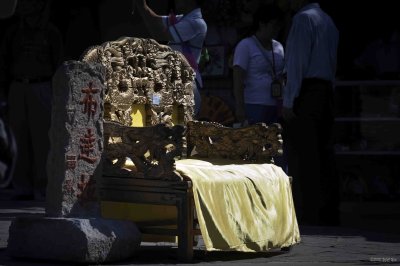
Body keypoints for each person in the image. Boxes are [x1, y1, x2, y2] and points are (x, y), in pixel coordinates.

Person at [281, 0, 340, 226]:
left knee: (305, 155)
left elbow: (297, 62)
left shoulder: (304, 19)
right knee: (324, 152)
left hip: (308, 91)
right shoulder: (328, 21)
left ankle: (308, 211)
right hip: (325, 91)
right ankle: (327, 210)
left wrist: (289, 100)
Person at [0, 0, 64, 200]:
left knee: (42, 138)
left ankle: (42, 185)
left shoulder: (51, 32)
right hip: (18, 86)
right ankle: (21, 184)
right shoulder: (14, 32)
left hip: (41, 85)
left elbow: (59, 62)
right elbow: (4, 61)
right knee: (18, 135)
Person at [133, 0, 207, 117]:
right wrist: (142, 6)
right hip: (169, 83)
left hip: (185, 86)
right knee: (157, 113)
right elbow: (156, 20)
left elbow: (159, 33)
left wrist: (143, 7)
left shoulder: (195, 23)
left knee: (179, 128)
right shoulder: (182, 19)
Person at [232, 4, 285, 126]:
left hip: (276, 104)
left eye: (279, 26)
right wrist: (240, 107)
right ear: (262, 24)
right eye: (274, 25)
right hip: (253, 104)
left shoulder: (279, 47)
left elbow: (282, 76)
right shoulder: (245, 45)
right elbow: (238, 77)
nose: (277, 29)